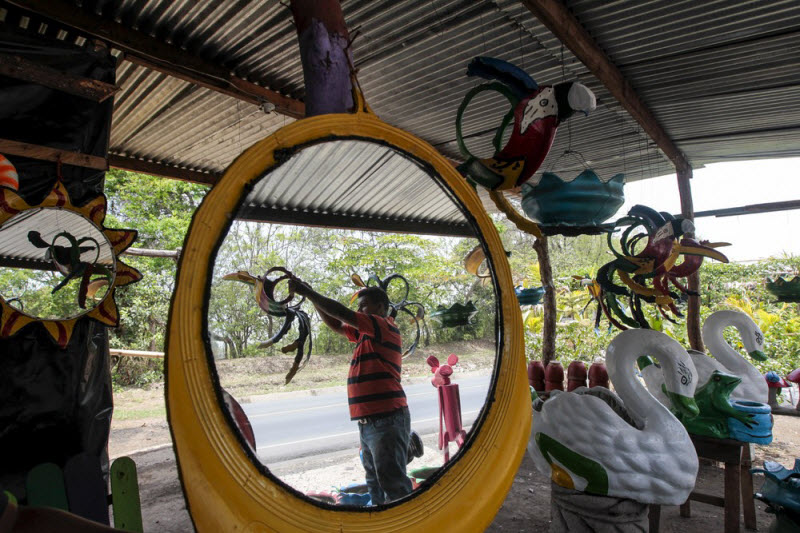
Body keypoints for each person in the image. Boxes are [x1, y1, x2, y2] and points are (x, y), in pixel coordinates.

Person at [288, 279, 413, 505]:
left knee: (394, 486)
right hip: (370, 423)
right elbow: (337, 325)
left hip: (386, 419)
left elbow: (342, 313)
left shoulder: (383, 326)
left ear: (381, 309)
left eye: (363, 305)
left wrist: (309, 291)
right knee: (375, 483)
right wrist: (312, 299)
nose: (358, 310)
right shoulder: (366, 334)